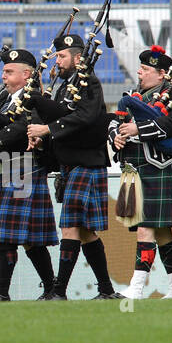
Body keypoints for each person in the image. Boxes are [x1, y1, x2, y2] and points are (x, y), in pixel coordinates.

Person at [23, 33, 124, 300]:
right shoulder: (66, 87)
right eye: (57, 55)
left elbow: (86, 117)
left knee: (70, 227)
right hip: (73, 164)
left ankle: (59, 291)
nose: (58, 60)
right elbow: (62, 114)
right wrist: (40, 125)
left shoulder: (88, 82)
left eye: (62, 55)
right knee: (85, 231)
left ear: (78, 58)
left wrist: (47, 128)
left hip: (86, 162)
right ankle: (106, 290)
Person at [109, 47, 172, 299]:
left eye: (146, 69)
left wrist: (138, 129)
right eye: (140, 68)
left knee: (145, 229)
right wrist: (116, 136)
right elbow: (115, 122)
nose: (139, 72)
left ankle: (136, 289)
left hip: (162, 169)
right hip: (137, 171)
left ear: (162, 75)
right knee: (161, 233)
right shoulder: (133, 96)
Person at [0, 48, 60, 300]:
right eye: (3, 72)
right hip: (8, 171)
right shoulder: (3, 100)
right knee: (29, 240)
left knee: (10, 238)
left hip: (27, 170)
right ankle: (50, 288)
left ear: (27, 75)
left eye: (9, 72)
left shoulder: (36, 98)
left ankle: (3, 292)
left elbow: (22, 128)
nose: (3, 76)